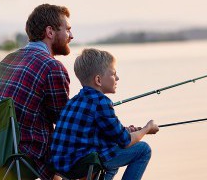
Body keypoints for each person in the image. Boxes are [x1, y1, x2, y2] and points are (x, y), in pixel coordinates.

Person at [0, 4, 74, 180]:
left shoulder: (7, 60)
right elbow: (65, 123)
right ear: (50, 32)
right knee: (93, 155)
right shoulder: (51, 66)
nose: (72, 36)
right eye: (67, 30)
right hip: (22, 159)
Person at [50, 48, 159, 180]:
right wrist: (147, 128)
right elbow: (126, 141)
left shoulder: (74, 101)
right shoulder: (102, 102)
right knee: (143, 149)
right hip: (83, 164)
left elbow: (96, 132)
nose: (117, 78)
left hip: (62, 165)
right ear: (98, 80)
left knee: (112, 149)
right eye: (113, 74)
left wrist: (125, 130)